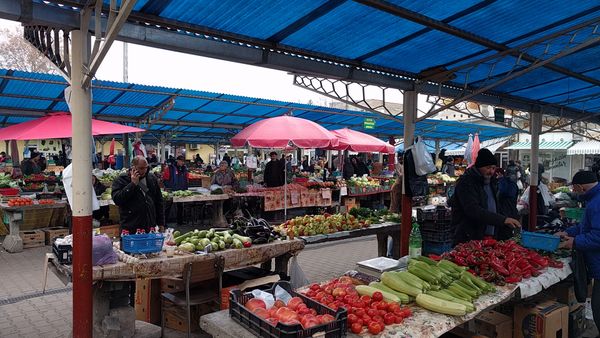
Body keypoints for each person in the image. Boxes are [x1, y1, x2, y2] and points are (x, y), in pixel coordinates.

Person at [555, 171, 600, 332]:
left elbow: (597, 236)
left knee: (598, 307)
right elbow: (585, 227)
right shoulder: (594, 199)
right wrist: (568, 232)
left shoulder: (596, 203)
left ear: (580, 187)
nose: (574, 192)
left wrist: (575, 242)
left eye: (574, 189)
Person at [450, 148, 521, 244]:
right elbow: (473, 210)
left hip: (489, 237)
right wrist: (503, 220)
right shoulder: (466, 183)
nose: (491, 171)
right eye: (487, 167)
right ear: (479, 166)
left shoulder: (492, 183)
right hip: (468, 237)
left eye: (493, 168)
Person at [111, 156, 164, 234]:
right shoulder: (121, 180)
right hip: (130, 225)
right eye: (141, 168)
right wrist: (132, 184)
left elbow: (159, 201)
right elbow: (117, 199)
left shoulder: (151, 178)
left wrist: (161, 223)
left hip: (150, 225)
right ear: (133, 167)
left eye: (146, 168)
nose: (144, 171)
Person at [496, 168, 519, 240]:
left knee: (503, 236)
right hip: (512, 212)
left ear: (498, 174)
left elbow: (499, 196)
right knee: (509, 237)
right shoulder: (513, 184)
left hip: (503, 214)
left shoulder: (501, 183)